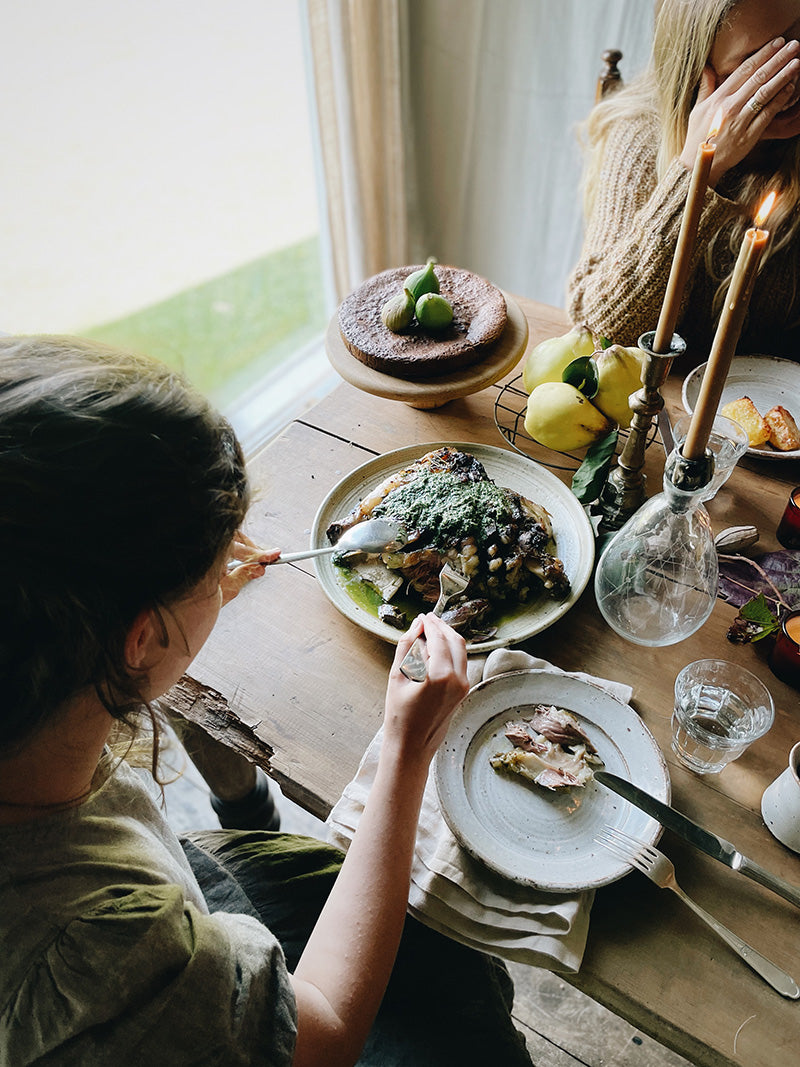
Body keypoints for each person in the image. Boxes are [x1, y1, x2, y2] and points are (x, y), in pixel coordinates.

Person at [0, 335, 534, 1066]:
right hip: (204, 984)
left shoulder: (34, 688)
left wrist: (182, 601)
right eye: (211, 563)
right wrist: (407, 751)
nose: (230, 564)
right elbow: (321, 1033)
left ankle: (249, 813)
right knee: (461, 991)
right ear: (138, 638)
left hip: (177, 890)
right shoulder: (106, 947)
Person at [567, 0, 800, 366]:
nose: (792, 73)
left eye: (797, 36)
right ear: (699, 75)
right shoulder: (641, 135)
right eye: (759, 63)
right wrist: (697, 170)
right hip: (668, 404)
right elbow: (602, 335)